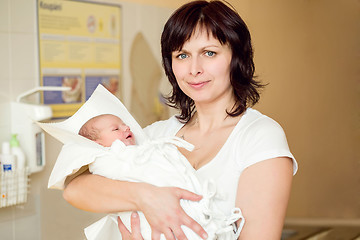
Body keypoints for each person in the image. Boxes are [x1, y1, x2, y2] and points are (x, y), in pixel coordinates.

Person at [63, 1, 298, 239]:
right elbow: (75, 189)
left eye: (209, 53)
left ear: (236, 57)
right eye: (182, 55)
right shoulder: (157, 135)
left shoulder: (259, 135)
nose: (194, 69)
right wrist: (147, 197)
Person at [76, 113, 243, 239]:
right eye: (116, 129)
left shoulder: (147, 142)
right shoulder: (108, 161)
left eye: (124, 124)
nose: (126, 128)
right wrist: (143, 195)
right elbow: (73, 190)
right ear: (98, 145)